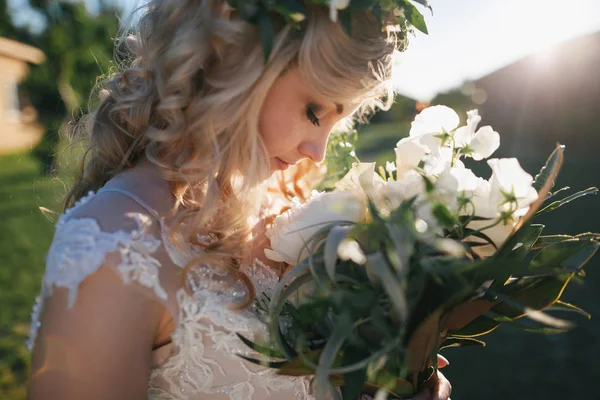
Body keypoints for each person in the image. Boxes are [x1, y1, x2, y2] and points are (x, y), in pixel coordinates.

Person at [26, 1, 452, 399]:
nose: (318, 152)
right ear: (236, 62)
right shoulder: (116, 249)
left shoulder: (291, 204)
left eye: (337, 121)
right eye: (314, 112)